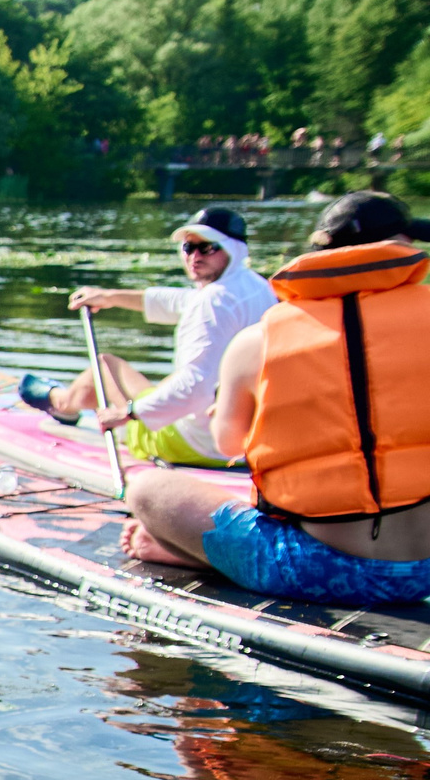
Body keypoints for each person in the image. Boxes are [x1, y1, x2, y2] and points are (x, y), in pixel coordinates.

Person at [118, 191, 430, 606]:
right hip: (424, 568)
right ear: (399, 248)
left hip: (312, 570)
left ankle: (205, 558)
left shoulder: (258, 340)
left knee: (146, 488)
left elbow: (229, 442)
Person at [19, 205, 276, 468]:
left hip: (195, 444)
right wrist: (110, 297)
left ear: (233, 250)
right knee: (158, 382)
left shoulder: (212, 302)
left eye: (207, 248)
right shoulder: (256, 287)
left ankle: (60, 403)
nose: (195, 256)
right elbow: (177, 301)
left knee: (106, 366)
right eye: (189, 247)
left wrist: (127, 414)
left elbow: (196, 386)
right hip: (246, 441)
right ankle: (67, 403)